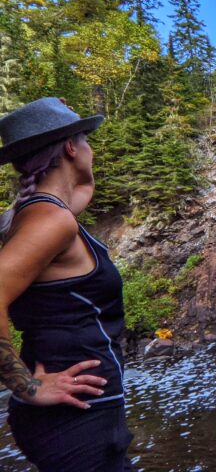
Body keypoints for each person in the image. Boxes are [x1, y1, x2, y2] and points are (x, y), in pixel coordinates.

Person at [0, 97, 133, 472]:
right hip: (75, 420)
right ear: (72, 147)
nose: (92, 149)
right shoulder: (51, 222)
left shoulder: (35, 215)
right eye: (85, 139)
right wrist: (28, 387)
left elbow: (79, 192)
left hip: (84, 415)